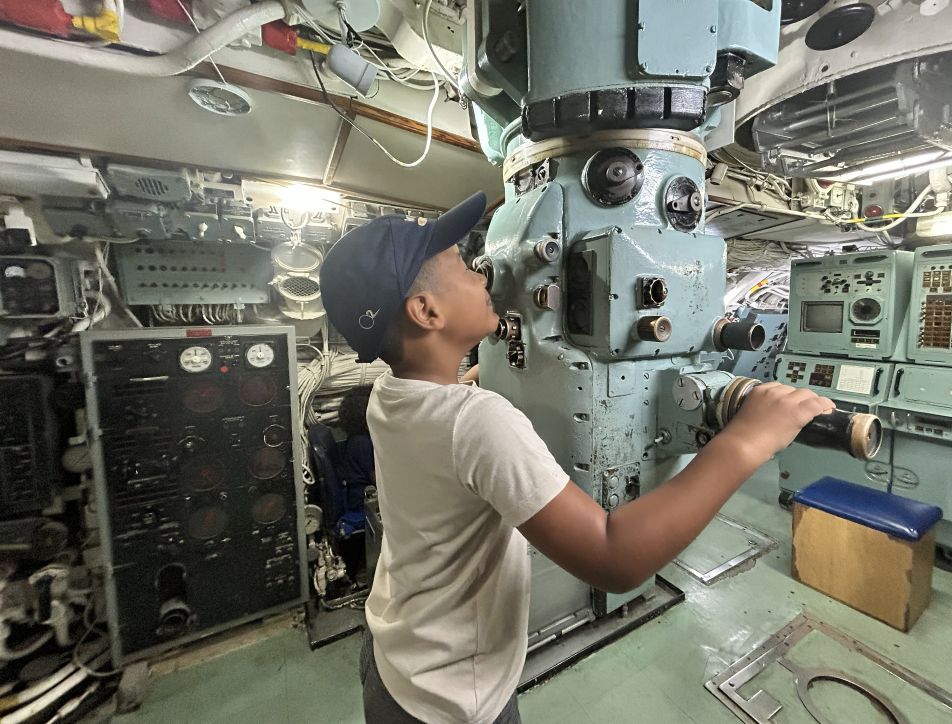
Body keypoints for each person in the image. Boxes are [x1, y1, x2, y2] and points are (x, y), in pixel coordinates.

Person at [320, 193, 834, 724]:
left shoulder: (391, 393)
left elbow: (447, 424)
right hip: (451, 701)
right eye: (463, 267)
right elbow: (613, 558)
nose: (484, 277)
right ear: (427, 311)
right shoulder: (474, 421)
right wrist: (748, 439)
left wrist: (473, 381)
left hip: (394, 657)